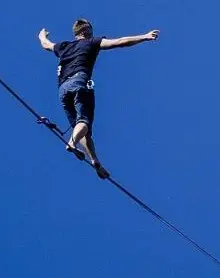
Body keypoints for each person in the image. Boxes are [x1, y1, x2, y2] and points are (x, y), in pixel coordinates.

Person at [38, 18, 159, 179]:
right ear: (87, 32)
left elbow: (46, 44)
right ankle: (72, 143)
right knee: (84, 122)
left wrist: (41, 35)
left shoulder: (64, 46)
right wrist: (144, 36)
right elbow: (120, 42)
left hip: (62, 90)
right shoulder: (91, 42)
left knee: (81, 128)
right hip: (79, 82)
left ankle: (95, 162)